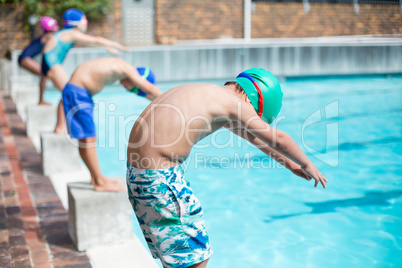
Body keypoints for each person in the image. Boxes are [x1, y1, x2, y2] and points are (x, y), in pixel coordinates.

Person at [126, 68, 328, 268]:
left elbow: (251, 136)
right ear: (253, 102)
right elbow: (279, 139)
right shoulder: (234, 104)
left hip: (139, 177)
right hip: (162, 181)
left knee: (179, 259)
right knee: (196, 259)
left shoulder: (210, 95)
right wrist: (306, 163)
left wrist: (290, 164)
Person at [62, 57, 162, 192]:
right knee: (88, 140)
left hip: (79, 92)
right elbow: (149, 88)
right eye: (133, 89)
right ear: (138, 79)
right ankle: (99, 182)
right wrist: (171, 102)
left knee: (86, 140)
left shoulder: (120, 67)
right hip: (78, 93)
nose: (128, 90)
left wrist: (159, 103)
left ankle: (96, 178)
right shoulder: (126, 69)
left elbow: (148, 93)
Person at [41, 8, 128, 134]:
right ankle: (60, 127)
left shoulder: (67, 33)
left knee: (66, 93)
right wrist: (115, 44)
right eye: (84, 20)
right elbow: (95, 40)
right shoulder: (72, 33)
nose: (86, 22)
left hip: (48, 63)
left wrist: (108, 47)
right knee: (68, 93)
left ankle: (60, 126)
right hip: (52, 65)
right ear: (77, 23)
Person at [18, 16, 59, 105]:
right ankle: (41, 101)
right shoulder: (48, 36)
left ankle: (42, 99)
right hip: (25, 59)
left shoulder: (44, 36)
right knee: (44, 74)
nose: (56, 27)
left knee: (44, 75)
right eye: (54, 25)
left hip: (24, 58)